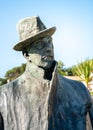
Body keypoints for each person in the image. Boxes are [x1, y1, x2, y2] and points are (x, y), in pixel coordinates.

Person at [0, 16, 93, 130]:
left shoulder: (79, 91)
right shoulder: (4, 96)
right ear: (26, 54)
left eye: (49, 41)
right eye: (39, 44)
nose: (49, 48)